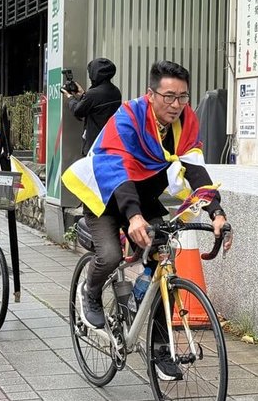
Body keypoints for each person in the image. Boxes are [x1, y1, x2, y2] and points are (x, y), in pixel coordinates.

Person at [62, 60, 232, 380]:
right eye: (168, 96)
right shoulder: (128, 116)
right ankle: (91, 291)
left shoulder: (185, 121)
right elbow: (115, 166)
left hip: (142, 197)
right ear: (150, 94)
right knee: (111, 255)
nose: (176, 104)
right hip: (105, 195)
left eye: (182, 97)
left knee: (163, 265)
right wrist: (134, 216)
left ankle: (160, 348)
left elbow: (194, 169)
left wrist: (217, 212)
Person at [62, 57, 122, 156]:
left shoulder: (93, 93)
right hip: (110, 141)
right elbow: (97, 105)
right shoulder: (115, 91)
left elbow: (78, 111)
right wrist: (83, 94)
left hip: (94, 143)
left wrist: (70, 97)